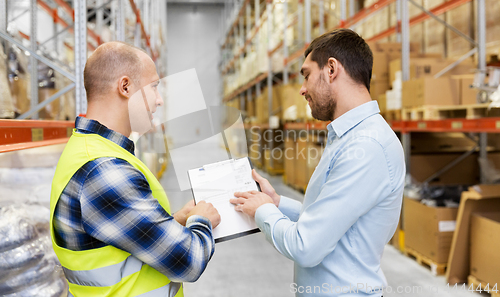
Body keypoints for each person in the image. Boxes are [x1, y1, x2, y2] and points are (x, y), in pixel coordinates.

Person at [231, 29, 405, 297]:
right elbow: (330, 221)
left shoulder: (367, 145)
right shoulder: (349, 137)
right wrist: (277, 204)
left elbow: (306, 246)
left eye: (306, 75)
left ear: (332, 69)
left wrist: (263, 212)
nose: (302, 89)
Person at [50, 42, 220, 297]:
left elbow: (118, 239)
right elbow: (189, 261)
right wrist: (202, 220)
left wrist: (174, 222)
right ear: (125, 86)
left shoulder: (94, 150)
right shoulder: (104, 169)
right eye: (154, 87)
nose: (159, 100)